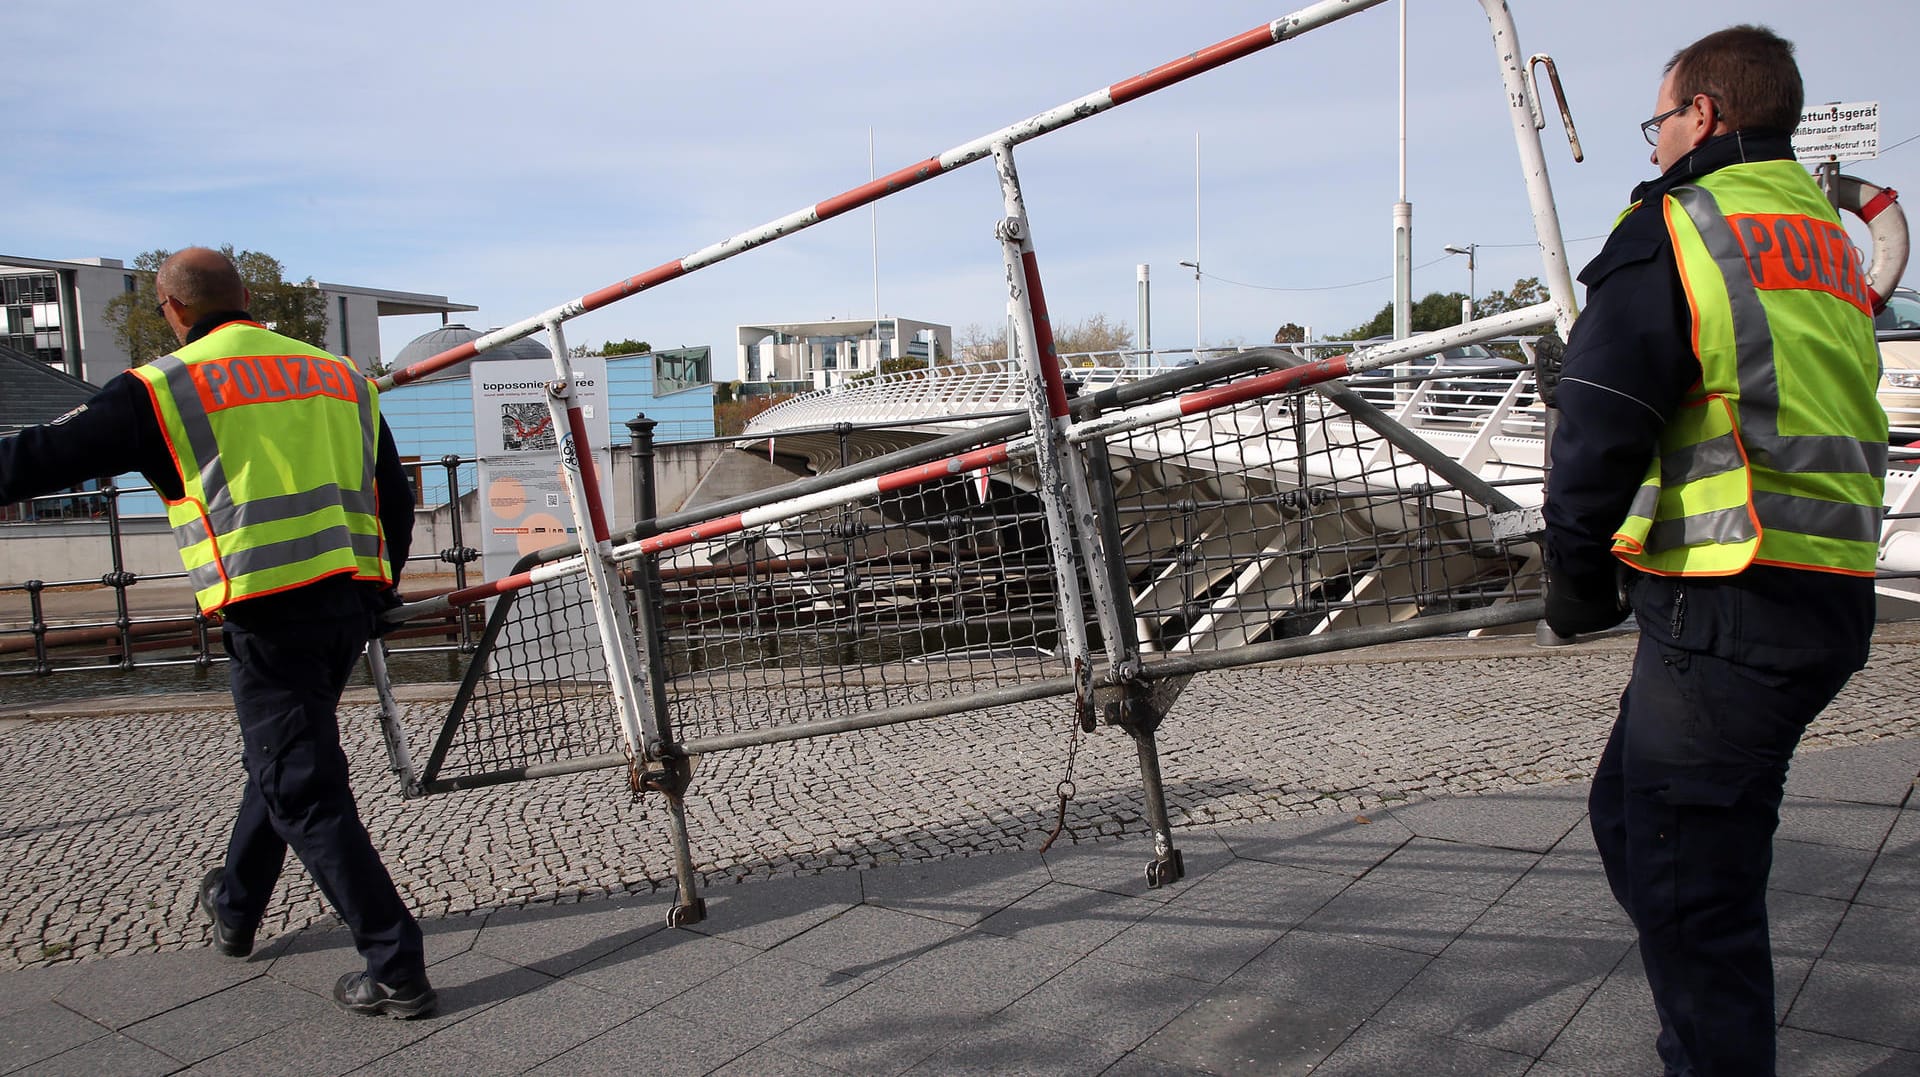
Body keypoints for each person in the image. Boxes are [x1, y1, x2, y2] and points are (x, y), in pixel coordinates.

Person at [1542, 26, 1885, 1077]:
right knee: (1633, 822)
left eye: (1660, 121)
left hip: (1731, 597)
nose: (1652, 147)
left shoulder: (1682, 224)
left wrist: (1574, 580)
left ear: (1707, 117)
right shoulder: (1820, 234)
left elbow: (1598, 418)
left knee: (1696, 897)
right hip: (1828, 589)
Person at [0, 248, 436, 1019]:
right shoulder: (339, 377)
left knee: (301, 785)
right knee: (283, 758)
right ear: (247, 299)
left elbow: (40, 457)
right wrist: (378, 593)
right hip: (347, 602)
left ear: (171, 308)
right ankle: (235, 906)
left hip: (267, 610)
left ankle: (395, 962)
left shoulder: (164, 387)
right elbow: (392, 499)